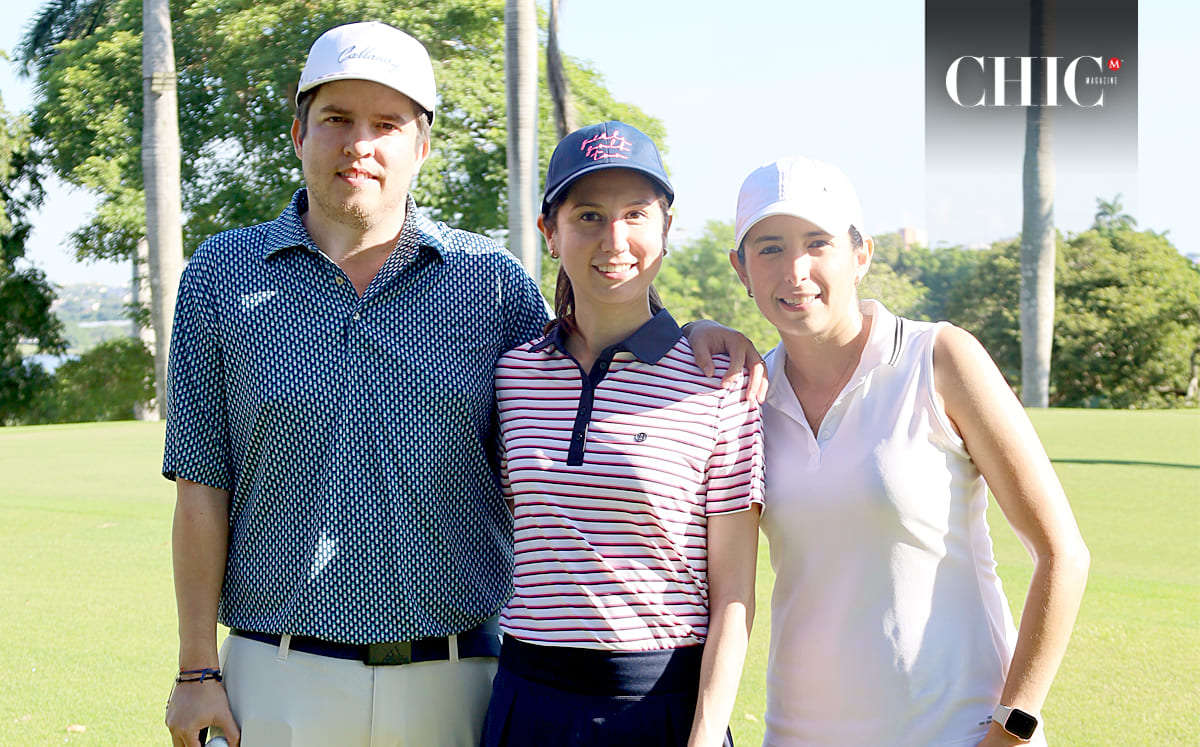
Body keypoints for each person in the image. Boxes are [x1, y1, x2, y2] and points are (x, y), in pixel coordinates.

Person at [162, 22, 761, 747]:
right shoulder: (219, 277)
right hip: (278, 672)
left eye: (387, 125)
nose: (360, 144)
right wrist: (198, 669)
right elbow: (200, 487)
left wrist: (686, 333)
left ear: (421, 147)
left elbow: (591, 343)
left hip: (456, 681)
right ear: (298, 132)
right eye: (337, 120)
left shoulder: (492, 285)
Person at [728, 157, 1090, 747]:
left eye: (818, 243)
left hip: (959, 733)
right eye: (769, 248)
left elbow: (1062, 554)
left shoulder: (939, 358)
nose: (796, 270)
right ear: (741, 269)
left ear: (861, 254)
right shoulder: (747, 398)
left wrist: (1013, 727)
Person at [480, 121, 764, 747]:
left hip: (662, 707)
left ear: (667, 230)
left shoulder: (721, 379)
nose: (616, 239)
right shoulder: (513, 372)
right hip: (527, 700)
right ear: (549, 234)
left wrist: (707, 732)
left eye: (637, 214)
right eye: (588, 216)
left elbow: (735, 596)